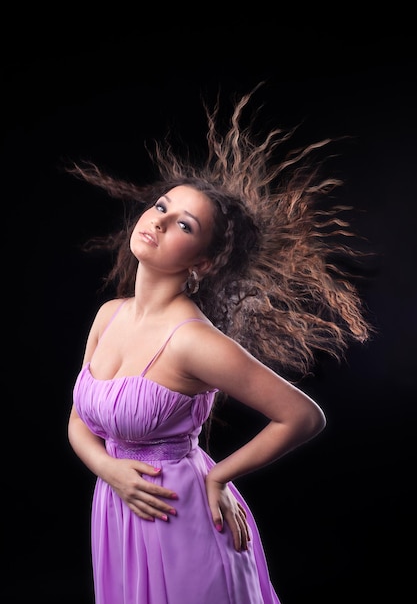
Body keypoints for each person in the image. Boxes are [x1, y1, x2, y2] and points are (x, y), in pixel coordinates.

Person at [67, 83, 372, 604]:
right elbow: (78, 421)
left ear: (202, 262)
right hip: (117, 507)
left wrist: (219, 478)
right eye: (161, 206)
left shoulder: (193, 342)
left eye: (183, 223)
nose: (158, 220)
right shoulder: (109, 315)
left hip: (179, 516)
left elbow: (302, 416)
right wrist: (109, 470)